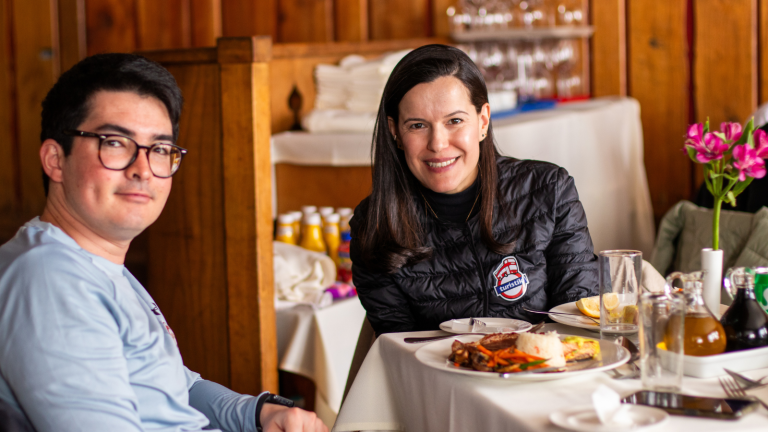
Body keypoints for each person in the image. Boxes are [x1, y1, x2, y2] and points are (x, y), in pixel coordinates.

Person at [0, 53, 326, 432]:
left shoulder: (97, 262)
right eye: (116, 143)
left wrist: (258, 412)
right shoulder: (49, 278)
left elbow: (171, 384)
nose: (142, 169)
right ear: (56, 160)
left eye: (158, 149)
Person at [350, 45, 598, 335]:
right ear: (395, 133)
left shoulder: (549, 191)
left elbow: (580, 323)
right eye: (417, 125)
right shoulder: (375, 225)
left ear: (482, 121)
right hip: (436, 379)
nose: (438, 144)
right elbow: (399, 350)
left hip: (548, 374)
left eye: (454, 121)